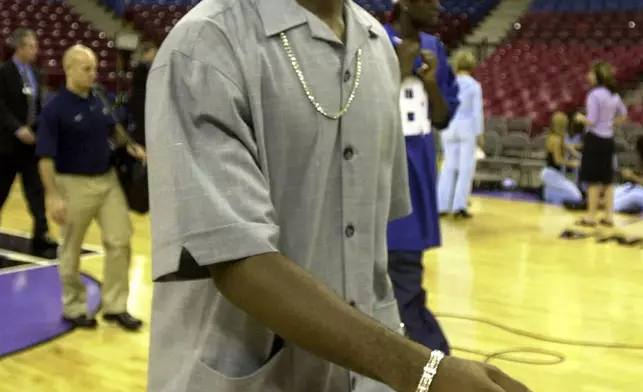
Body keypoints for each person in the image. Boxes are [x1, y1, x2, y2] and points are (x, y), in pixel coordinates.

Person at [144, 0, 530, 392]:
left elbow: (368, 250)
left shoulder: (377, 45)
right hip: (240, 376)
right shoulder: (206, 43)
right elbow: (238, 260)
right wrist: (421, 370)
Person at [36, 45, 146, 330]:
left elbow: (115, 128)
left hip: (107, 180)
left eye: (95, 68)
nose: (93, 74)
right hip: (72, 184)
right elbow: (45, 157)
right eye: (87, 69)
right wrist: (52, 196)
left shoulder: (100, 96)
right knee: (71, 248)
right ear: (69, 69)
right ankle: (74, 307)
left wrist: (133, 148)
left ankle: (115, 305)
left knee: (120, 240)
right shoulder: (55, 108)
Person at [383, 0, 458, 354]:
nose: (438, 5)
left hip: (416, 181)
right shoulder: (371, 41)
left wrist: (430, 83)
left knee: (406, 282)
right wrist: (399, 67)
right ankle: (435, 362)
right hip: (377, 178)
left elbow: (442, 117)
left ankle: (431, 364)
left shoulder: (436, 49)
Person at [0, 28, 57, 257]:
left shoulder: (36, 73)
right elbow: (0, 106)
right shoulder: (4, 72)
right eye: (32, 46)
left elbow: (39, 105)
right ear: (20, 47)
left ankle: (41, 233)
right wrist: (16, 128)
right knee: (1, 189)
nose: (36, 50)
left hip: (31, 143)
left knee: (36, 189)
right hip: (7, 144)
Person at [576, 61, 627, 227]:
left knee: (592, 180)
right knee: (607, 180)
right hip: (608, 140)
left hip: (595, 140)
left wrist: (579, 118)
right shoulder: (614, 94)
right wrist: (611, 123)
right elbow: (624, 115)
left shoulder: (594, 95)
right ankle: (608, 217)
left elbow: (591, 120)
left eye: (590, 73)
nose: (587, 76)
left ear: (597, 76)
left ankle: (591, 217)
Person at [436, 49, 483, 218]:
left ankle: (441, 205)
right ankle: (459, 206)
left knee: (448, 166)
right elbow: (477, 112)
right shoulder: (474, 86)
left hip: (448, 127)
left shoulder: (449, 83)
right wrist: (480, 134)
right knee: (465, 168)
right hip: (467, 128)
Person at [540, 112, 583, 204]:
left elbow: (568, 147)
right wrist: (572, 163)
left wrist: (576, 150)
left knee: (554, 197)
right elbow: (558, 160)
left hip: (549, 173)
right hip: (553, 174)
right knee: (576, 196)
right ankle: (551, 197)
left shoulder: (552, 137)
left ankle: (550, 199)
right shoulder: (557, 140)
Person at [128, 41, 157, 147]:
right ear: (147, 53)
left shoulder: (148, 68)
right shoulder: (141, 68)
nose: (155, 56)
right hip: (140, 103)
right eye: (153, 53)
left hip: (145, 102)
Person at [613, 135, 643, 213]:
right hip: (638, 189)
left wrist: (632, 176)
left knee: (633, 197)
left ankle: (606, 205)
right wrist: (634, 173)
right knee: (623, 188)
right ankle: (598, 202)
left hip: (640, 194)